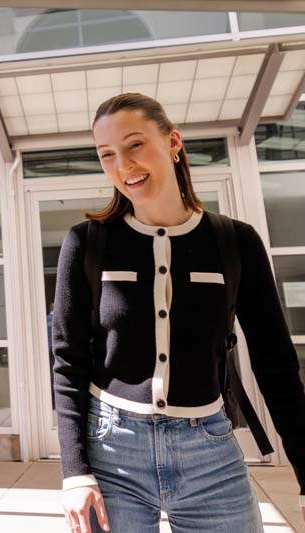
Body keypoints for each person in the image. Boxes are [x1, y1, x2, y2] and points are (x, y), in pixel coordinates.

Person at [52, 92, 305, 533]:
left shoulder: (236, 243)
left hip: (209, 451)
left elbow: (276, 365)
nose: (123, 165)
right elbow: (68, 361)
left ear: (173, 142)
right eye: (106, 154)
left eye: (135, 145)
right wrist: (74, 472)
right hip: (111, 451)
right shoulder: (86, 243)